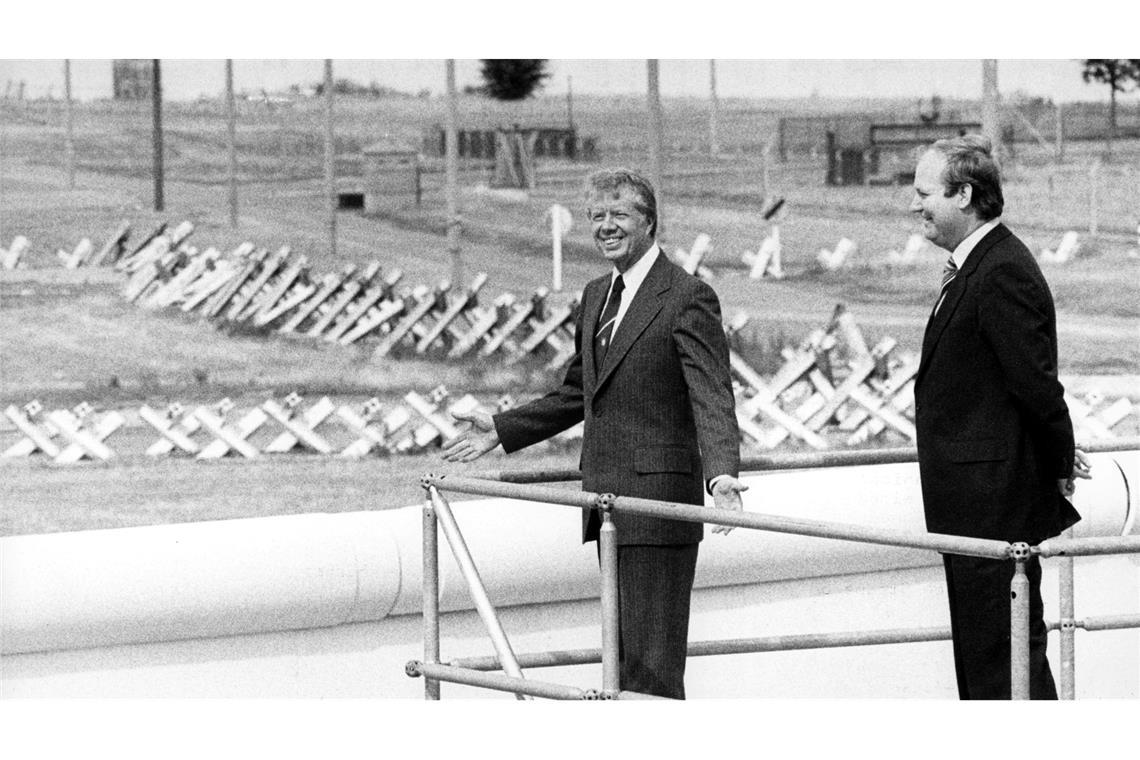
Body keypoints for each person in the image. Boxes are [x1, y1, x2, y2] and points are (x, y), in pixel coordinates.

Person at [442, 167, 746, 699]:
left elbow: (712, 394)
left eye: (619, 215)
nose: (606, 226)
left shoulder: (687, 296)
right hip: (606, 505)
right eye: (597, 217)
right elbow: (578, 392)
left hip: (658, 507)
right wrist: (501, 428)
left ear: (649, 223)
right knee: (622, 666)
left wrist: (721, 477)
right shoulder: (596, 294)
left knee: (652, 668)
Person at [909, 134, 1091, 699]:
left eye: (924, 193)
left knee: (1005, 662)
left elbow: (1036, 385)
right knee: (986, 658)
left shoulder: (1000, 270)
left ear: (964, 194)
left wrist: (1058, 458)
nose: (915, 206)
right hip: (970, 506)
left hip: (991, 508)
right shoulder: (976, 266)